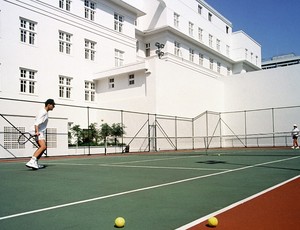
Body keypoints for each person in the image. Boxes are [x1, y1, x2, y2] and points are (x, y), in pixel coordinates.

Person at [26, 99, 55, 169]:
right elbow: (37, 123)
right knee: (43, 147)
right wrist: (36, 132)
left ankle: (35, 162)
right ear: (49, 105)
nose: (54, 107)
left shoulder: (44, 112)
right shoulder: (43, 112)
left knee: (43, 147)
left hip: (39, 131)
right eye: (53, 105)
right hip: (37, 131)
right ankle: (31, 161)